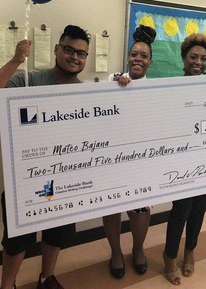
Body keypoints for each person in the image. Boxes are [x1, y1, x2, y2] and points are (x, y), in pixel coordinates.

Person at [0, 25, 91, 289]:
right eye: (69, 50)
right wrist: (16, 60)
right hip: (27, 179)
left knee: (57, 234)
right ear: (57, 49)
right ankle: (7, 285)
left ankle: (46, 278)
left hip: (65, 178)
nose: (74, 57)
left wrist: (124, 86)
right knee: (17, 239)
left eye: (81, 53)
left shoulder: (88, 93)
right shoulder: (29, 80)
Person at [103, 25, 156, 279]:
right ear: (128, 57)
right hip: (111, 161)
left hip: (140, 163)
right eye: (134, 54)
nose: (138, 59)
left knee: (140, 211)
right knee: (111, 209)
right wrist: (117, 86)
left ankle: (137, 248)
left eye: (144, 56)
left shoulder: (156, 90)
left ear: (150, 62)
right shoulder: (112, 80)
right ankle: (115, 252)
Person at [162, 33, 206, 285]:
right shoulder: (171, 88)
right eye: (193, 57)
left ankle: (189, 251)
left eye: (203, 58)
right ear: (184, 58)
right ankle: (170, 256)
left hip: (204, 161)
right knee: (180, 210)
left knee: (199, 210)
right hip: (179, 163)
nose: (198, 62)